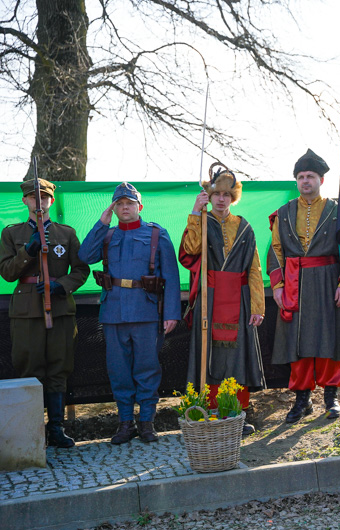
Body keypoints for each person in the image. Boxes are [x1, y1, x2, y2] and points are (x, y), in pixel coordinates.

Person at [78, 183, 181, 444]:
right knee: (118, 370)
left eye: (129, 203)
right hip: (113, 313)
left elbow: (170, 275)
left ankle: (147, 422)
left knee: (147, 368)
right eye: (120, 204)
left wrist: (171, 313)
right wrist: (102, 223)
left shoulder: (157, 234)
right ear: (114, 208)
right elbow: (84, 255)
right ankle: (125, 423)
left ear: (139, 207)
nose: (125, 208)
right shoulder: (108, 234)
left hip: (146, 312)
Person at [267, 149, 340, 423]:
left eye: (311, 176)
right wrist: (278, 286)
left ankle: (331, 398)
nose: (305, 181)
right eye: (301, 177)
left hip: (330, 281)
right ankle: (302, 400)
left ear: (321, 180)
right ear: (296, 181)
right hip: (295, 283)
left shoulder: (338, 210)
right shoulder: (283, 214)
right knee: (299, 344)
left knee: (329, 340)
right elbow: (275, 249)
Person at [0, 178, 89, 448]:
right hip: (27, 311)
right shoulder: (12, 234)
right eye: (32, 197)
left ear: (51, 200)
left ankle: (56, 428)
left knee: (59, 367)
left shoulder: (67, 233)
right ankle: (33, 429)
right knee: (30, 367)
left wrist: (60, 286)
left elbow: (81, 271)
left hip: (60, 309)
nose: (39, 201)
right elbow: (7, 272)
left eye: (44, 197)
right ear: (25, 201)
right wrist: (28, 251)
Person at [180, 164, 266, 436]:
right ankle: (208, 413)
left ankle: (235, 415)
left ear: (233, 197)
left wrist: (257, 306)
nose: (221, 199)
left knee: (237, 356)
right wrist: (195, 211)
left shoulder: (245, 227)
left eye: (227, 195)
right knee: (209, 354)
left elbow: (254, 268)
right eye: (216, 193)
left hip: (239, 300)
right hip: (209, 298)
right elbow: (189, 251)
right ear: (209, 194)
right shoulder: (201, 221)